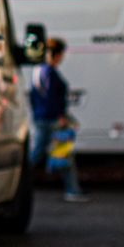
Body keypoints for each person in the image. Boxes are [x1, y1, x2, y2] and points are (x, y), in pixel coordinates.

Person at [28, 39, 89, 204]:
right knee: (62, 152)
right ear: (57, 55)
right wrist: (60, 116)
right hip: (52, 118)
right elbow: (50, 96)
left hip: (42, 116)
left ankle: (72, 189)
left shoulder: (38, 70)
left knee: (44, 151)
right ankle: (72, 190)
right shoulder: (49, 72)